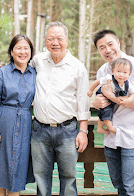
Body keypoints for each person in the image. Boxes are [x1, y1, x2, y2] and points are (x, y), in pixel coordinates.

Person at [30, 21, 90, 196]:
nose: (55, 42)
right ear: (46, 41)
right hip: (40, 130)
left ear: (67, 40)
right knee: (40, 177)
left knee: (69, 177)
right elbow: (19, 70)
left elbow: (83, 101)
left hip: (68, 130)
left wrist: (83, 131)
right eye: (50, 39)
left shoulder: (77, 67)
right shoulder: (38, 61)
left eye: (59, 38)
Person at [92, 29, 134, 195]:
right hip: (111, 135)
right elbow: (101, 100)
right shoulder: (102, 71)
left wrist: (111, 96)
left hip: (133, 134)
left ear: (118, 43)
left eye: (110, 44)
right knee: (119, 184)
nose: (107, 50)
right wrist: (96, 102)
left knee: (132, 187)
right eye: (102, 47)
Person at [0, 34, 36, 196]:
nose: (22, 51)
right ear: (11, 51)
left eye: (26, 48)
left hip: (25, 123)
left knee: (18, 167)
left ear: (31, 52)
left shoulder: (35, 74)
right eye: (18, 48)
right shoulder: (1, 73)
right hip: (3, 122)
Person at [88, 58, 134, 134]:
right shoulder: (109, 78)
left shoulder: (128, 84)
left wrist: (129, 100)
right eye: (118, 71)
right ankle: (110, 127)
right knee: (107, 110)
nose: (121, 74)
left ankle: (99, 128)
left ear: (129, 74)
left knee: (104, 112)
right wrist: (90, 90)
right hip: (103, 96)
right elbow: (97, 82)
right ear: (113, 71)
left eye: (125, 72)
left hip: (112, 99)